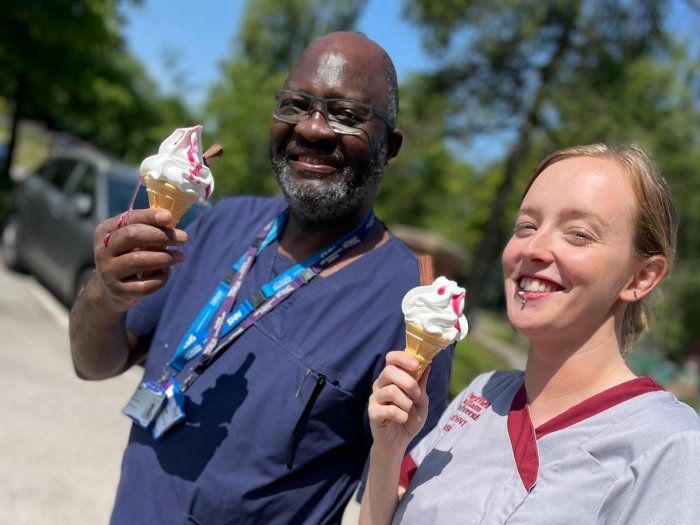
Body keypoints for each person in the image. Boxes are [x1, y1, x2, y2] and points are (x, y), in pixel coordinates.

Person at [69, 31, 454, 525]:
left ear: (390, 146)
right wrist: (105, 292)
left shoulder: (410, 308)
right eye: (295, 105)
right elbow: (92, 364)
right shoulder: (219, 224)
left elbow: (396, 506)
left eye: (347, 114)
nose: (313, 129)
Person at [360, 143, 700, 524]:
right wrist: (388, 451)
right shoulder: (480, 395)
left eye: (579, 234)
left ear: (642, 277)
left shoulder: (670, 446)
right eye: (526, 226)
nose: (534, 248)